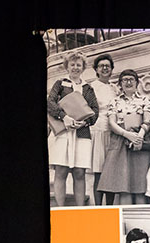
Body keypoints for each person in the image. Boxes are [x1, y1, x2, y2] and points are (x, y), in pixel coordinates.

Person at [48, 51, 99, 207]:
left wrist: (84, 122)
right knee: (61, 171)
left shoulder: (88, 88)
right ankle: (61, 210)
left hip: (81, 134)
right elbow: (50, 103)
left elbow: (95, 111)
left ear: (83, 67)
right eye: (72, 64)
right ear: (67, 66)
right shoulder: (60, 83)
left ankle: (79, 211)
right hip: (62, 133)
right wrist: (65, 117)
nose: (75, 67)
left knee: (79, 172)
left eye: (79, 65)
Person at [98, 69, 150, 204]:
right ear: (120, 84)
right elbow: (112, 122)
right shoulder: (115, 101)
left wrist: (139, 136)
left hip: (139, 143)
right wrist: (127, 134)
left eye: (131, 79)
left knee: (140, 187)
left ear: (137, 82)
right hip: (121, 142)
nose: (128, 82)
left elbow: (147, 120)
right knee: (124, 188)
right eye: (125, 80)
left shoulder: (144, 99)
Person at [89, 54, 117, 205]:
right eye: (101, 66)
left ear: (112, 69)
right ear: (96, 70)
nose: (105, 68)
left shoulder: (114, 88)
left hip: (113, 132)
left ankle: (110, 206)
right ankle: (98, 207)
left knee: (111, 171)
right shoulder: (91, 87)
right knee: (99, 172)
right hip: (98, 130)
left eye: (108, 66)